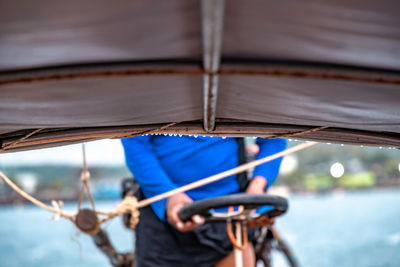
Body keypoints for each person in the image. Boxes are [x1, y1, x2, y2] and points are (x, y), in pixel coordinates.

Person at [121, 135, 286, 267]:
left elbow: (275, 135)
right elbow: (134, 143)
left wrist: (258, 186)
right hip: (160, 221)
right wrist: (168, 196)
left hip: (231, 217)